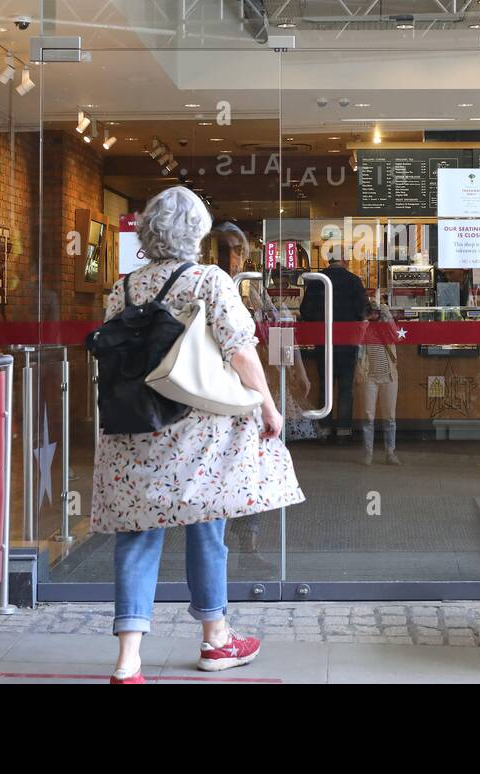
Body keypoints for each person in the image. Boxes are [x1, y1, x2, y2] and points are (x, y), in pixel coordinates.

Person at [90, 187, 304, 683]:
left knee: (137, 535)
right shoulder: (209, 280)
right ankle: (216, 639)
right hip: (196, 431)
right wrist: (269, 407)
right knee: (208, 530)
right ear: (197, 233)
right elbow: (241, 351)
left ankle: (128, 662)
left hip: (135, 430)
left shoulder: (121, 289)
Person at [300, 247, 367, 442]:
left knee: (324, 385)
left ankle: (324, 429)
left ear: (328, 259)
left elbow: (306, 311)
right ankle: (344, 431)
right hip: (347, 342)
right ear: (345, 258)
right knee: (346, 387)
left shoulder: (316, 281)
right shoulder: (354, 281)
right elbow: (362, 311)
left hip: (323, 341)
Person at [356, 303, 401, 466]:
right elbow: (356, 342)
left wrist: (387, 314)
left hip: (389, 376)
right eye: (372, 311)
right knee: (368, 416)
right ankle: (368, 453)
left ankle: (390, 452)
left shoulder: (386, 328)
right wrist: (364, 321)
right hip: (369, 377)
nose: (374, 314)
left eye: (376, 312)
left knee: (390, 416)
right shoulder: (365, 327)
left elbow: (396, 335)